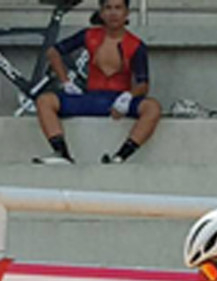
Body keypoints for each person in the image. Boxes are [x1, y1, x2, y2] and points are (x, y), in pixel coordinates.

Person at [33, 0, 162, 165]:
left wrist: (128, 96)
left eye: (118, 8)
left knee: (152, 107)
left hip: (117, 100)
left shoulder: (136, 45)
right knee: (45, 100)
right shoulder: (89, 35)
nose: (113, 13)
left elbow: (143, 84)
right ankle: (61, 152)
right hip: (90, 97)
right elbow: (53, 52)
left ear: (127, 13)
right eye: (108, 8)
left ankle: (120, 156)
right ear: (101, 13)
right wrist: (66, 82)